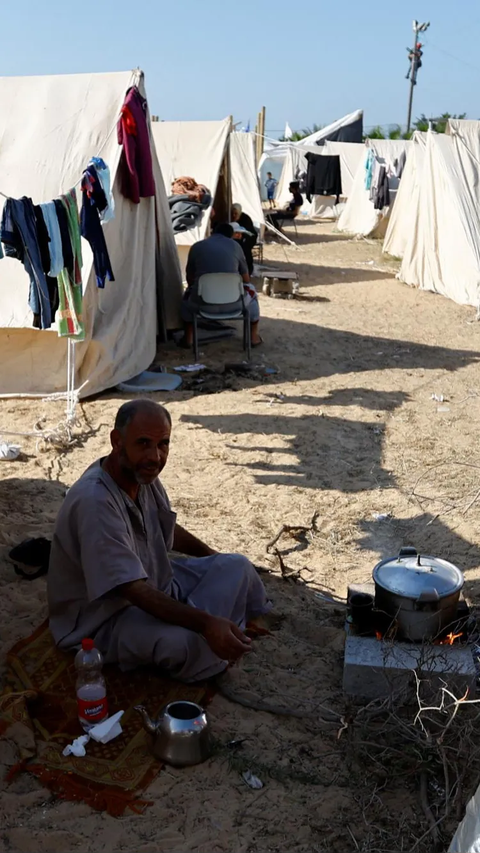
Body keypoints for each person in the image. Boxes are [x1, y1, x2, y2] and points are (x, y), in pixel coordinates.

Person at [47, 400, 272, 682]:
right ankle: (219, 630)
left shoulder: (143, 476)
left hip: (158, 584)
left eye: (163, 444)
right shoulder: (95, 501)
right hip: (107, 618)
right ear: (117, 441)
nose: (155, 456)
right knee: (187, 645)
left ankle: (222, 626)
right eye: (143, 443)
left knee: (237, 565)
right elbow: (132, 590)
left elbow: (167, 528)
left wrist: (213, 558)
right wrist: (205, 624)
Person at [181, 222, 262, 347]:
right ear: (230, 235)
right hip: (234, 304)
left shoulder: (197, 247)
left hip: (202, 305)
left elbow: (190, 278)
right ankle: (253, 338)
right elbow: (246, 279)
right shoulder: (235, 246)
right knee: (252, 293)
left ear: (212, 232)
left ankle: (188, 338)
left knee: (186, 296)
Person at [231, 203, 257, 275]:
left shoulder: (245, 219)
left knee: (246, 254)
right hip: (238, 240)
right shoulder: (232, 219)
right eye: (233, 213)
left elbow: (249, 232)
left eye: (236, 213)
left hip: (247, 240)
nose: (234, 215)